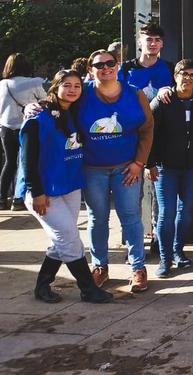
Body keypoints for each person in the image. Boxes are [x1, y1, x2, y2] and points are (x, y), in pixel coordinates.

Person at [18, 70, 112, 304]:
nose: (72, 90)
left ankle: (42, 285)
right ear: (55, 87)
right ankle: (88, 289)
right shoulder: (37, 118)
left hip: (69, 186)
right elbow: (27, 161)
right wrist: (36, 192)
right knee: (69, 238)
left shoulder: (74, 113)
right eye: (66, 85)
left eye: (77, 86)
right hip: (44, 192)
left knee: (61, 239)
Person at [78, 49, 154, 293]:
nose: (106, 68)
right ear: (91, 69)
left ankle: (137, 268)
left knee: (130, 217)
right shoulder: (81, 93)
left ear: (118, 65)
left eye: (110, 63)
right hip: (93, 168)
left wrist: (139, 162)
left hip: (126, 168)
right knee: (97, 218)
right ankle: (100, 266)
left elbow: (147, 129)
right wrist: (33, 109)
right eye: (99, 65)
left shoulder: (134, 93)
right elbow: (57, 105)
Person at [147, 60, 193, 278]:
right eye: (184, 74)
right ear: (175, 76)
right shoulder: (162, 101)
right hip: (165, 168)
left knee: (185, 212)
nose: (188, 78)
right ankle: (164, 259)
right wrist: (149, 163)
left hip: (192, 165)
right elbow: (149, 134)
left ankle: (178, 252)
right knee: (167, 213)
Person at [120, 22, 176, 257]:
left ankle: (156, 237)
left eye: (156, 40)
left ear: (162, 43)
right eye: (148, 39)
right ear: (140, 42)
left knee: (158, 192)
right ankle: (132, 241)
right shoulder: (125, 69)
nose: (152, 43)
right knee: (132, 193)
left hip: (161, 139)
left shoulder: (171, 68)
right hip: (132, 139)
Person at [0, 53, 47, 210]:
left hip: (6, 127)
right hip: (28, 127)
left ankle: (1, 199)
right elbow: (46, 99)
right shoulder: (34, 83)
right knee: (27, 162)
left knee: (9, 162)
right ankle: (18, 199)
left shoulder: (2, 85)